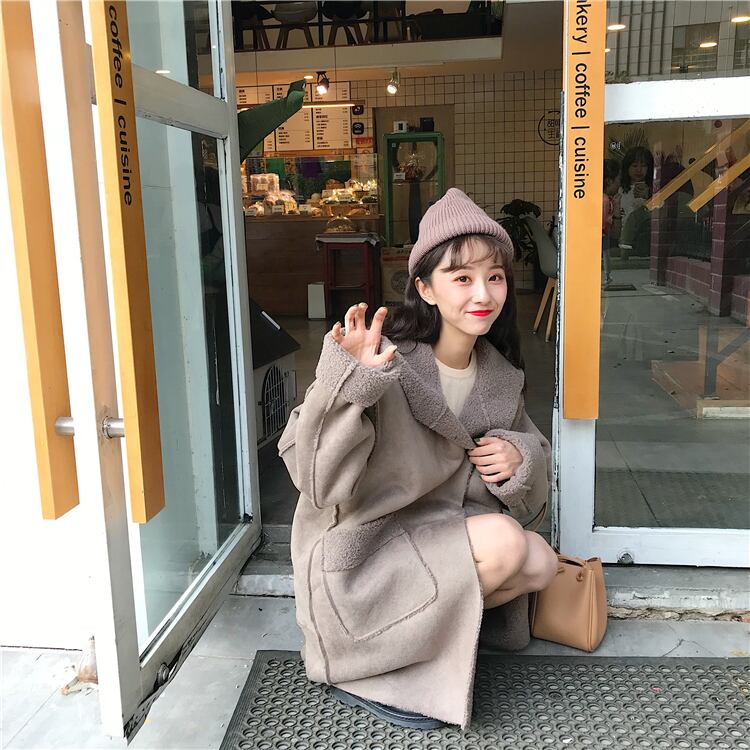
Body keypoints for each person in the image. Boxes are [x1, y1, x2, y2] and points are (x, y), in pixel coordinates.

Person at [278, 188, 557, 730]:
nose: (484, 293)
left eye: (495, 277)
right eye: (462, 278)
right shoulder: (386, 363)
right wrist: (347, 384)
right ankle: (367, 664)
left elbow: (534, 486)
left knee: (541, 561)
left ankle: (420, 646)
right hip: (367, 550)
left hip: (435, 539)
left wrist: (520, 456)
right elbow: (313, 476)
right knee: (505, 542)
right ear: (425, 288)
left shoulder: (501, 377)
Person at [618, 146, 654, 260]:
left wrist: (649, 196)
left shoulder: (655, 190)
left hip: (643, 243)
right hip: (621, 240)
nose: (639, 170)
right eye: (634, 166)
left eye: (643, 166)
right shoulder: (619, 190)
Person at [602, 159, 621, 285]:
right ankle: (607, 276)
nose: (620, 183)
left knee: (606, 255)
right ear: (609, 181)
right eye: (618, 179)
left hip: (603, 234)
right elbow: (603, 223)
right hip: (603, 234)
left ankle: (607, 276)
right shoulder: (605, 201)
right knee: (606, 255)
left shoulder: (607, 199)